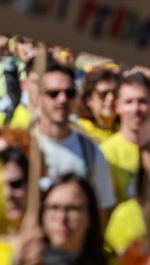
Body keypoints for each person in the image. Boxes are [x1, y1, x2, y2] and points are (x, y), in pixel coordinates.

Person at [33, 64, 117, 215]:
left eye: (69, 93)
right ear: (39, 97)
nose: (62, 99)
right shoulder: (25, 145)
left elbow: (103, 210)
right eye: (53, 93)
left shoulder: (91, 152)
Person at [100, 73, 150, 204]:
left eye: (142, 101)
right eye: (129, 102)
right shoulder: (105, 153)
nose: (136, 109)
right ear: (117, 106)